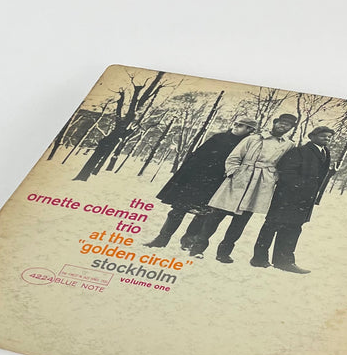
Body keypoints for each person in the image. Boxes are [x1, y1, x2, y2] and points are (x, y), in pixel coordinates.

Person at [187, 113, 297, 261]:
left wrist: (273, 177)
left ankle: (224, 253)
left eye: (287, 125)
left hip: (260, 184)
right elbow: (234, 157)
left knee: (240, 221)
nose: (283, 126)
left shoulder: (289, 145)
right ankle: (198, 248)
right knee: (215, 216)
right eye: (281, 122)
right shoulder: (253, 138)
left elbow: (285, 165)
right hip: (240, 179)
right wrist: (233, 173)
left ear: (290, 128)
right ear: (275, 123)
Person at [142, 117, 257, 248]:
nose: (235, 126)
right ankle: (161, 239)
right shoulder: (218, 138)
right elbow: (198, 156)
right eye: (235, 123)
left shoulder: (247, 145)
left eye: (240, 125)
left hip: (216, 184)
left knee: (202, 215)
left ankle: (187, 242)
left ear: (250, 129)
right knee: (178, 210)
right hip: (196, 180)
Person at [251, 126, 333, 273]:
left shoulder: (325, 153)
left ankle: (284, 261)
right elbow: (285, 171)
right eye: (323, 136)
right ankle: (259, 259)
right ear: (312, 136)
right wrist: (300, 187)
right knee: (272, 226)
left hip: (305, 200)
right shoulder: (299, 151)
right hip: (287, 197)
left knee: (293, 228)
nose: (327, 139)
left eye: (329, 137)